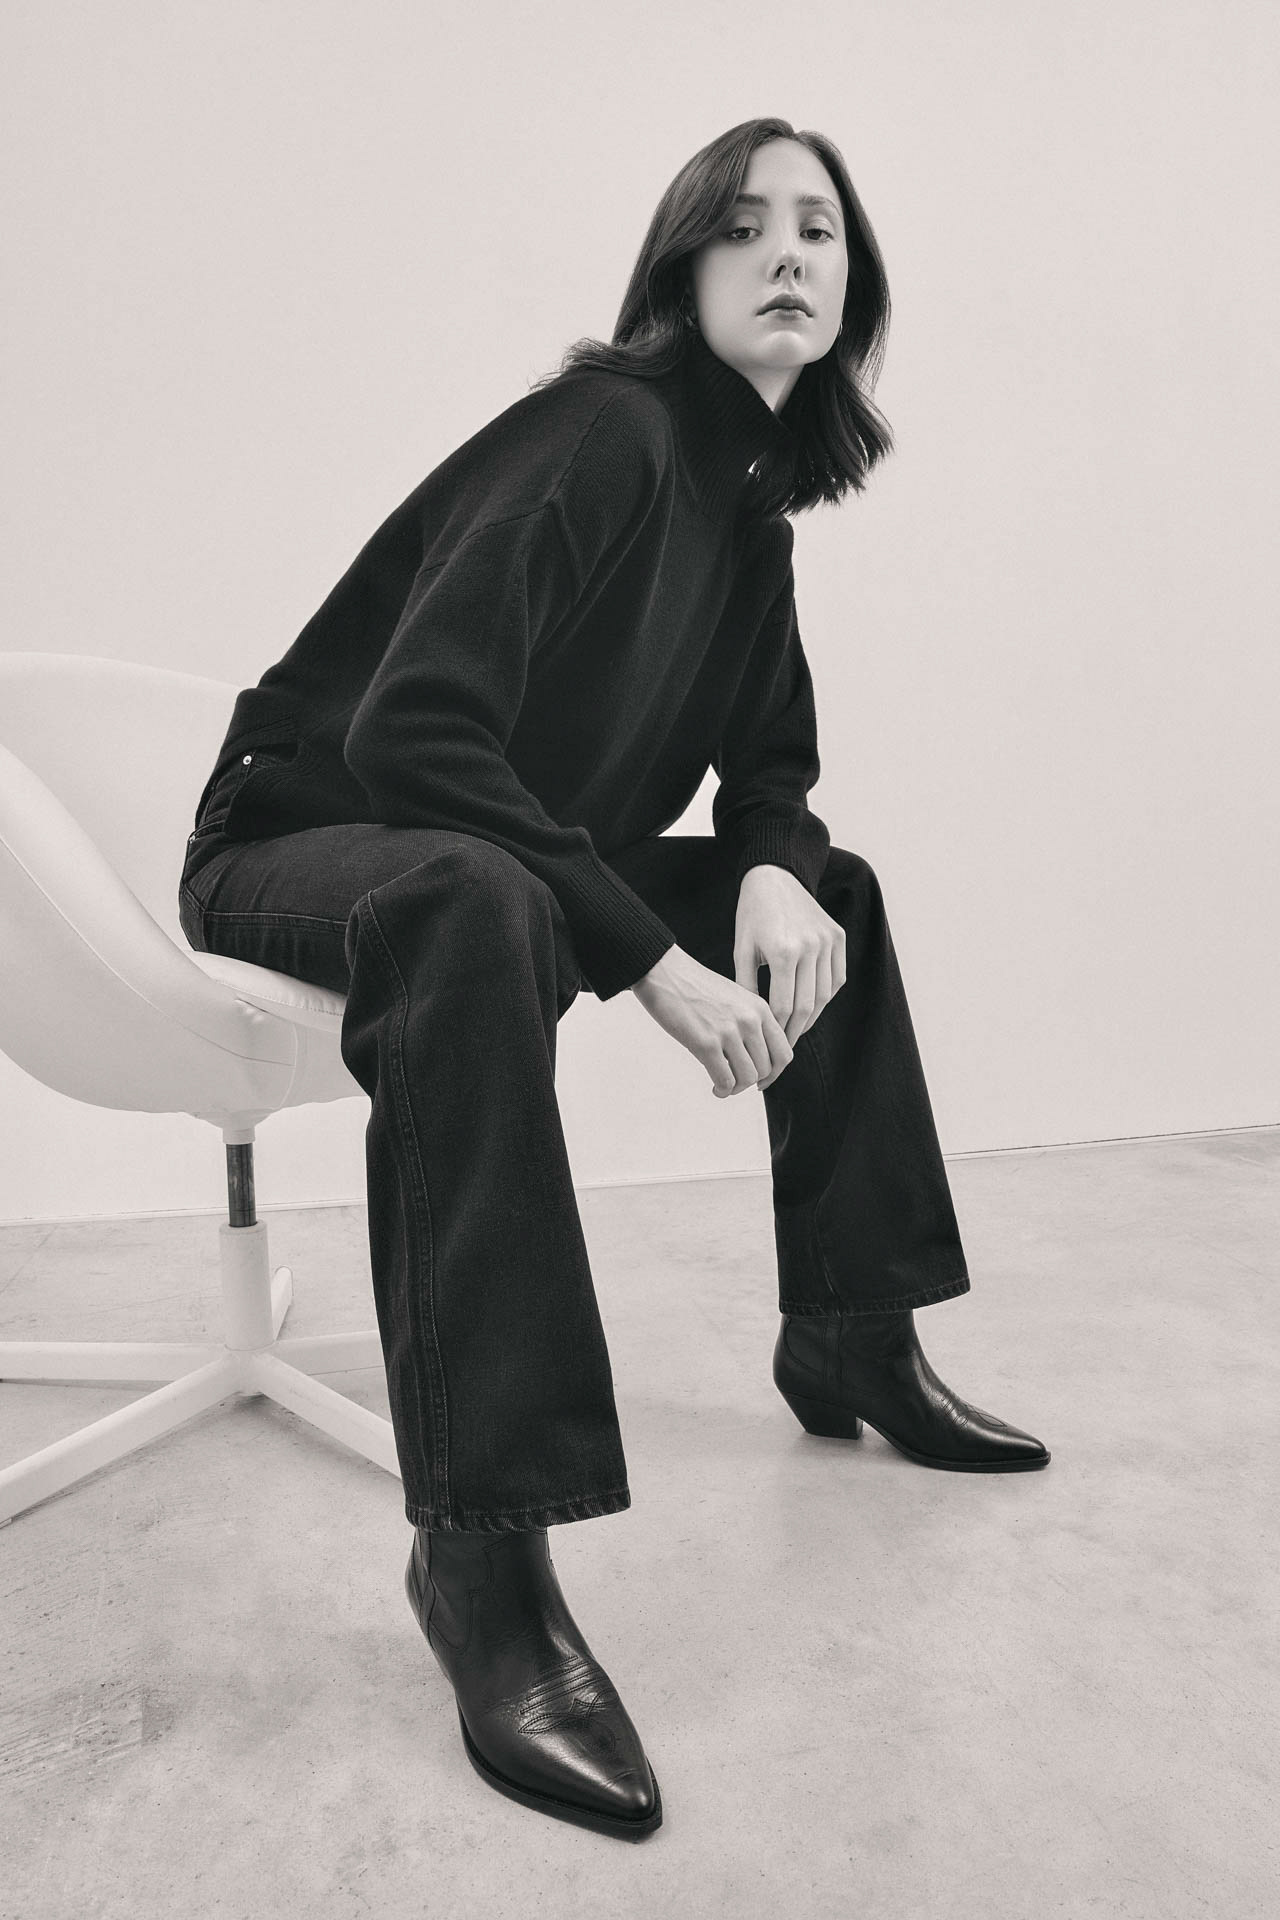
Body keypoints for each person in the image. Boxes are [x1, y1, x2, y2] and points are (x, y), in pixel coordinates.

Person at [176, 116, 1049, 1842]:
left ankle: (851, 1333)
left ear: (854, 284)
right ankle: (481, 1560)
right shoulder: (608, 433)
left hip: (499, 853)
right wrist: (652, 960)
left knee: (828, 889)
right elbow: (415, 732)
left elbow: (774, 763)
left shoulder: (751, 518)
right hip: (304, 837)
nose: (788, 252)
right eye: (745, 227)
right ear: (681, 270)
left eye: (819, 229)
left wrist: (775, 865)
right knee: (475, 905)